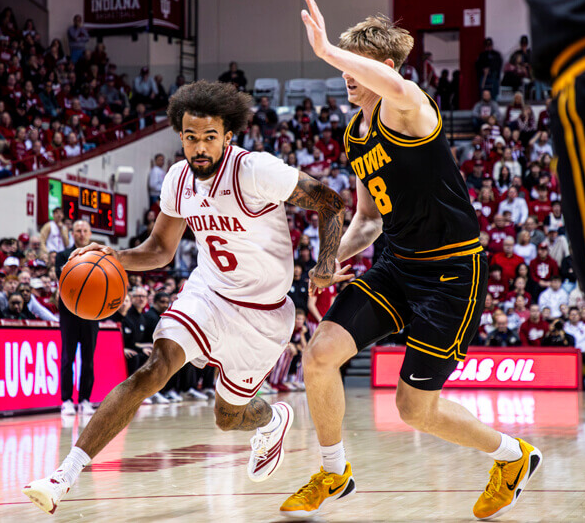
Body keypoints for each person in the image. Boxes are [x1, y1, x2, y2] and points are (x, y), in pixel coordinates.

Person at [23, 79, 349, 514]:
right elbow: (161, 249)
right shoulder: (178, 179)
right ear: (180, 136)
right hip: (209, 293)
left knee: (227, 417)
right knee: (154, 369)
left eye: (209, 137)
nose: (200, 147)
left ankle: (272, 420)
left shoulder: (255, 170)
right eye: (191, 137)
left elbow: (330, 201)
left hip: (264, 314)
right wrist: (114, 257)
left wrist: (325, 263)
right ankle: (62, 476)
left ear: (228, 136)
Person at [282, 0, 541, 520]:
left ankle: (512, 456)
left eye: (357, 65)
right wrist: (329, 259)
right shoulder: (356, 133)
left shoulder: (409, 105)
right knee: (320, 354)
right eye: (343, 65)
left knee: (413, 409)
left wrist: (326, 49)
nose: (346, 75)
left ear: (385, 68)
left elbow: (392, 85)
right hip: (398, 264)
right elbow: (368, 219)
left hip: (452, 272)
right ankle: (334, 472)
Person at [54, 220, 99, 417]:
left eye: (84, 230)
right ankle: (66, 400)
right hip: (69, 312)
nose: (81, 234)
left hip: (91, 311)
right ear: (72, 234)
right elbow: (65, 279)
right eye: (78, 230)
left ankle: (85, 399)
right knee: (67, 358)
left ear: (90, 233)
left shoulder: (98, 255)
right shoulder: (63, 255)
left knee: (88, 359)